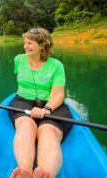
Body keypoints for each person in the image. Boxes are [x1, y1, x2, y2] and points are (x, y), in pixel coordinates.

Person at [10, 27, 73, 178]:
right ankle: (24, 170)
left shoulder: (56, 65)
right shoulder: (19, 60)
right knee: (25, 126)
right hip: (23, 100)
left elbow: (58, 93)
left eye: (30, 43)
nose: (26, 46)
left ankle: (46, 174)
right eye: (25, 43)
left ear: (42, 45)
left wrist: (47, 109)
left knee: (48, 132)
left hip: (52, 103)